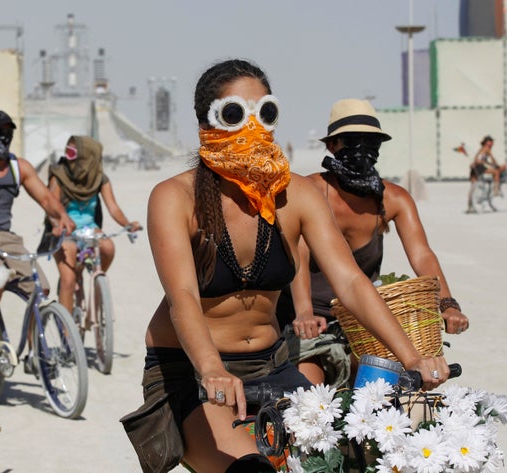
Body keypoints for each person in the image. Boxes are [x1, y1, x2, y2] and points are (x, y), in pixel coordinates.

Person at [120, 59, 450, 473]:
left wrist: (412, 356)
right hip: (193, 370)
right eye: (235, 114)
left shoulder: (297, 193)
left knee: (345, 458)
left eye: (265, 112)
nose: (252, 127)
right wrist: (211, 369)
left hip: (271, 364)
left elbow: (348, 279)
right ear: (208, 121)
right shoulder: (175, 197)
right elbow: (182, 295)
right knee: (251, 469)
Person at [276, 99, 470, 389]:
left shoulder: (393, 199)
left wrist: (447, 303)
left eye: (371, 142)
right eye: (352, 141)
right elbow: (298, 252)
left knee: (391, 396)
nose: (362, 150)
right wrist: (304, 311)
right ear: (332, 146)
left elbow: (422, 256)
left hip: (363, 321)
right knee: (308, 396)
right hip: (306, 322)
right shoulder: (310, 191)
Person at [0, 110, 75, 309]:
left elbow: (46, 198)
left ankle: (36, 338)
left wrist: (62, 215)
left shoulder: (18, 167)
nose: (4, 136)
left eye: (8, 131)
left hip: (7, 238)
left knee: (40, 289)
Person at [47, 135, 141, 313]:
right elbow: (51, 206)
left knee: (108, 247)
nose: (68, 157)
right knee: (68, 280)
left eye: (73, 153)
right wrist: (56, 224)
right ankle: (67, 335)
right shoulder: (59, 176)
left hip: (89, 227)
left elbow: (113, 208)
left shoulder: (100, 179)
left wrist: (128, 224)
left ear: (87, 157)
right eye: (67, 152)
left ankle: (98, 283)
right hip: (66, 229)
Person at [468, 135, 507, 212]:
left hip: (474, 168)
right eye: (490, 142)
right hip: (479, 167)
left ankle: (470, 207)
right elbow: (492, 160)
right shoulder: (487, 149)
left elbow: (483, 161)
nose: (492, 144)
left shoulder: (482, 149)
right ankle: (496, 191)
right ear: (487, 143)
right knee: (496, 172)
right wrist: (498, 166)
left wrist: (494, 165)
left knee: (473, 188)